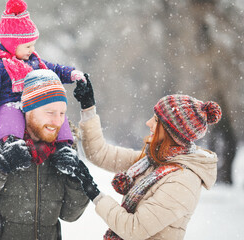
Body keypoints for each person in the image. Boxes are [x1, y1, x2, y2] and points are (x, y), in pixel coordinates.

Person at [69, 75, 222, 240]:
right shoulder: (151, 161)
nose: (148, 123)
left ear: (172, 133)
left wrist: (95, 194)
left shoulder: (183, 181)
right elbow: (99, 153)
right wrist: (88, 108)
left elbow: (133, 229)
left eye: (156, 120)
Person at [0, 69, 89, 240]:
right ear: (29, 109)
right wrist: (0, 166)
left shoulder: (64, 146)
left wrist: (76, 177)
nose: (57, 121)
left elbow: (70, 215)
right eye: (50, 113)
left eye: (62, 113)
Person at [0, 0, 86, 144]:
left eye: (33, 45)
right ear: (12, 45)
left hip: (35, 103)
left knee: (55, 112)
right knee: (11, 114)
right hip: (10, 103)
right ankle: (13, 144)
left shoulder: (33, 61)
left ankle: (64, 146)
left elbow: (53, 70)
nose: (32, 50)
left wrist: (71, 73)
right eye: (28, 46)